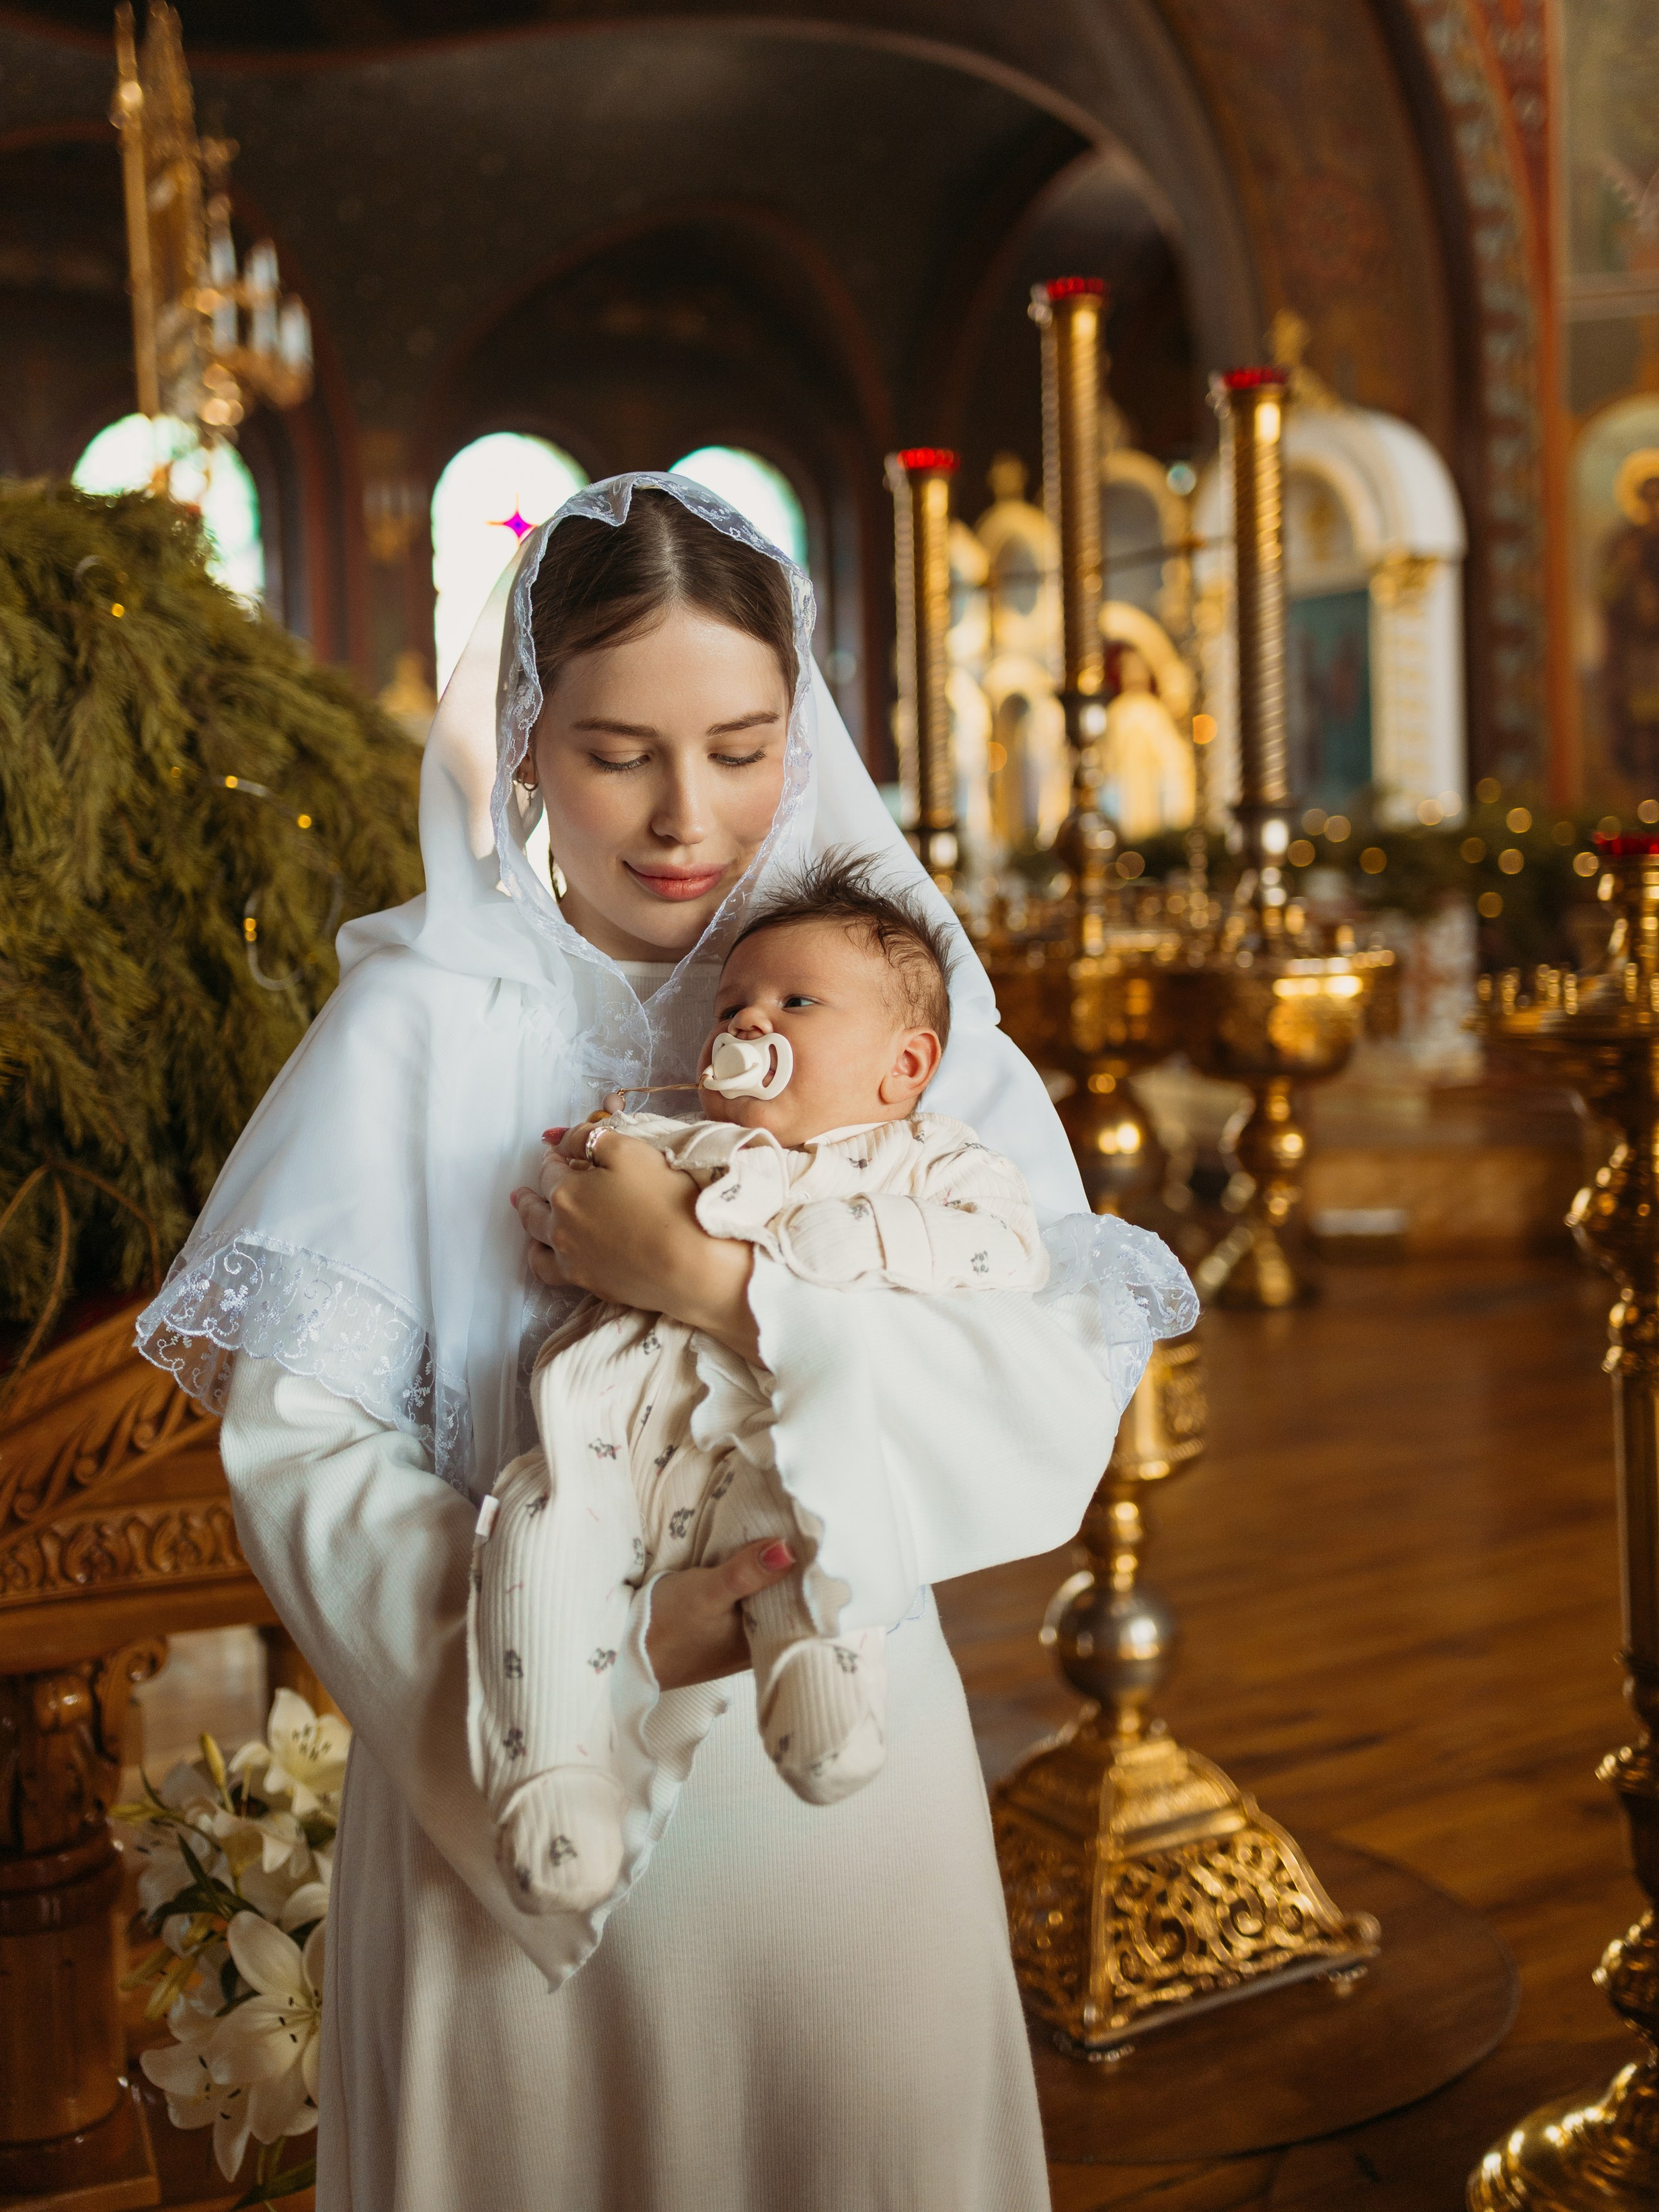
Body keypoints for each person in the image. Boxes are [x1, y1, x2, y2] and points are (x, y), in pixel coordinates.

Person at [134, 475, 1197, 2212]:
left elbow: (1045, 1401)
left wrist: (716, 1286)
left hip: (835, 1800)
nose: (685, 816)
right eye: (621, 750)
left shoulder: (910, 1026)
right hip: (514, 1795)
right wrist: (607, 1632)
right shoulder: (414, 1029)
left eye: (743, 745)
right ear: (529, 739)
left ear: (807, 730)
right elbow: (299, 1455)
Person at [469, 852, 1049, 1928]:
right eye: (732, 1003)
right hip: (614, 1436)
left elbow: (1005, 1256)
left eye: (795, 1002)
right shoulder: (696, 1144)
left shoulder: (928, 1163)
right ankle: (550, 1780)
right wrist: (586, 1169)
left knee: (807, 1523)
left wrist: (859, 1232)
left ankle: (817, 1688)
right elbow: (598, 1203)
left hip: (772, 1431)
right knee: (537, 1541)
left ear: (905, 1062)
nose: (748, 1023)